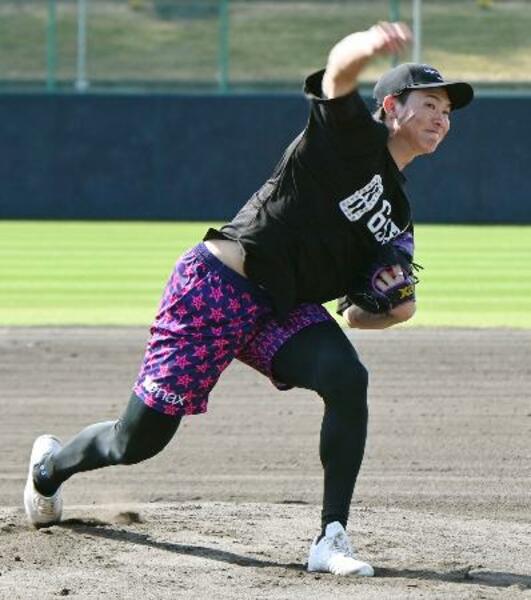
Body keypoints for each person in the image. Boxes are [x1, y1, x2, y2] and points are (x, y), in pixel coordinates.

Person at [24, 22, 473, 576]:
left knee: (347, 377)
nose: (441, 117)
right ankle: (49, 469)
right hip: (216, 287)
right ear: (390, 108)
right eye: (429, 104)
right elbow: (337, 72)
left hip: (279, 309)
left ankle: (331, 538)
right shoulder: (349, 140)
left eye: (447, 111)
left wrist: (395, 310)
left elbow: (360, 314)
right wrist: (370, 44)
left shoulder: (397, 218)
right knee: (136, 441)